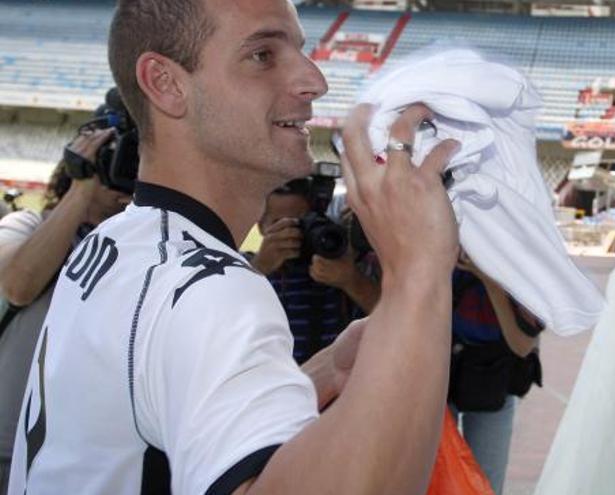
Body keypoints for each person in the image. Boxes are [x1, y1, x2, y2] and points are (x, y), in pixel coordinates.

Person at [8, 1, 461, 494]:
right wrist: (419, 274)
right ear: (165, 83)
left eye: (301, 51)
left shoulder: (117, 240)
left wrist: (323, 372)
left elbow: (152, 418)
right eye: (263, 55)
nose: (314, 80)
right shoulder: (206, 287)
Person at [0, 129, 129, 493]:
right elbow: (18, 286)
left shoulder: (135, 249)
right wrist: (83, 188)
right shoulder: (24, 225)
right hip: (7, 446)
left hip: (73, 460)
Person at [249, 180, 379, 364]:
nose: (291, 233)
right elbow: (218, 313)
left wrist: (351, 280)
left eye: (300, 223)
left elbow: (395, 320)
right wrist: (260, 268)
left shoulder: (341, 262)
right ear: (260, 227)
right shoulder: (245, 267)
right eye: (280, 224)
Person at [447, 255, 542, 495]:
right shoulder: (439, 237)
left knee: (486, 483)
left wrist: (489, 278)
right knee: (436, 477)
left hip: (493, 375)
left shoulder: (522, 255)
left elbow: (522, 345)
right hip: (438, 369)